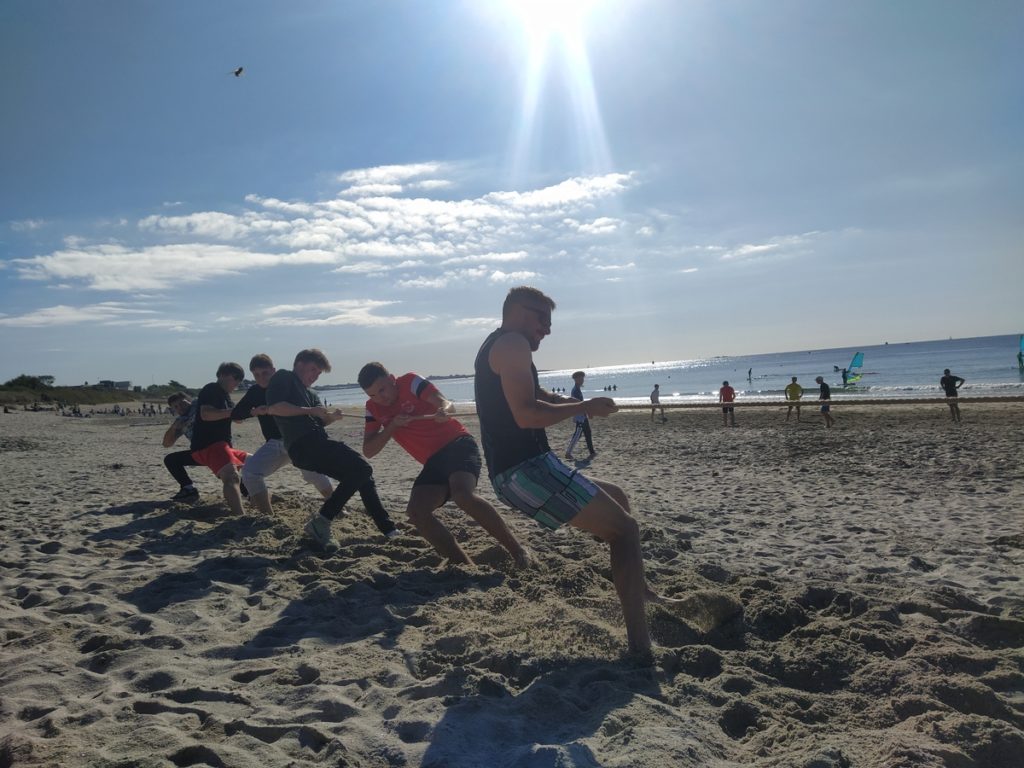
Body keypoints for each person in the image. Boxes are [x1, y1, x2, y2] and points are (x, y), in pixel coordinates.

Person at [474, 286, 678, 655]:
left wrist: (570, 401)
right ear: (520, 312)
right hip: (524, 472)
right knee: (626, 531)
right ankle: (640, 646)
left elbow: (535, 395)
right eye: (543, 319)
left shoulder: (499, 344)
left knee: (617, 497)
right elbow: (526, 414)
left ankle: (638, 588)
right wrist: (583, 407)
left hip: (519, 470)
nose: (548, 330)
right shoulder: (512, 344)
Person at [358, 362, 531, 567]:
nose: (381, 398)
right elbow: (369, 450)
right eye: (373, 395)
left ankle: (519, 552)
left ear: (392, 379)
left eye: (382, 389)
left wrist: (442, 410)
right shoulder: (373, 408)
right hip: (434, 461)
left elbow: (445, 402)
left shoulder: (410, 381)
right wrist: (392, 425)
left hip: (458, 444)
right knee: (416, 512)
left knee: (462, 495)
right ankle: (466, 566)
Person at [266, 349, 397, 551]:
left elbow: (319, 421)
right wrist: (309, 410)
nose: (315, 376)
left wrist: (330, 417)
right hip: (303, 445)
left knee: (362, 476)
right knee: (362, 469)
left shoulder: (311, 394)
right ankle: (322, 520)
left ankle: (388, 530)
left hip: (315, 443)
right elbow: (275, 408)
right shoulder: (284, 377)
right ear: (299, 364)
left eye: (319, 373)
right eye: (313, 370)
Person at [232, 354, 334, 516]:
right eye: (256, 375)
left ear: (274, 370)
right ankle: (268, 516)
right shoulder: (255, 391)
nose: (261, 378)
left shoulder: (292, 385)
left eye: (265, 373)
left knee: (313, 474)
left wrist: (330, 417)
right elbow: (236, 414)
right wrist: (255, 411)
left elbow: (317, 419)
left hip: (298, 440)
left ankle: (336, 506)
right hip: (275, 442)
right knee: (250, 472)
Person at [190, 363, 249, 515]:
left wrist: (248, 410)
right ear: (222, 375)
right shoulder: (211, 389)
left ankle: (255, 498)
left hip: (224, 447)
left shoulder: (225, 396)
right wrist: (233, 412)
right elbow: (206, 414)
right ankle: (239, 516)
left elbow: (237, 418)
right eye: (235, 378)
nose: (237, 383)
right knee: (231, 477)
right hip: (209, 445)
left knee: (255, 464)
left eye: (240, 380)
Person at [162, 391, 201, 500]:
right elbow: (166, 444)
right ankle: (188, 488)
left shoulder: (199, 404)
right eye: (176, 407)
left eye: (182, 403)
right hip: (199, 452)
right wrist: (174, 427)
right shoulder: (181, 421)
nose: (180, 408)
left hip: (216, 447)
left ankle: (246, 490)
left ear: (189, 400)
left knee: (227, 476)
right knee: (171, 460)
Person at [565, 370, 596, 460]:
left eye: (583, 378)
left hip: (582, 415)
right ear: (576, 379)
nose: (582, 380)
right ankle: (568, 453)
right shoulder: (575, 390)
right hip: (580, 416)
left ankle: (592, 452)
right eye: (580, 378)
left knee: (587, 433)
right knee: (577, 435)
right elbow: (578, 404)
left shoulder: (577, 389)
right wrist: (587, 412)